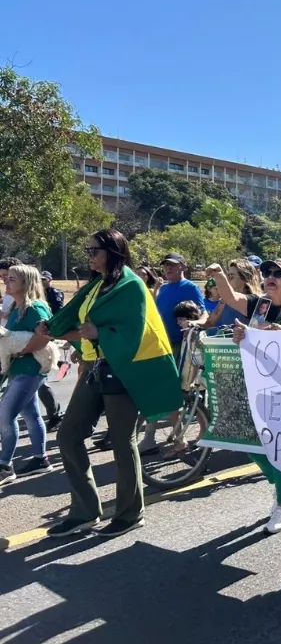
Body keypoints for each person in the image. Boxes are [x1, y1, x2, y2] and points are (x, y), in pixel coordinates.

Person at [45, 229, 182, 538]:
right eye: (87, 250)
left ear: (113, 252)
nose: (89, 255)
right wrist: (56, 329)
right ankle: (85, 511)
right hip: (97, 366)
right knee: (68, 436)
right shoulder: (96, 285)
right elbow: (81, 323)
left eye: (94, 250)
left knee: (122, 441)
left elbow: (130, 333)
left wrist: (96, 333)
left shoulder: (131, 285)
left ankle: (130, 513)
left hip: (125, 367)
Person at [210, 258, 281, 534]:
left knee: (277, 445)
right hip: (256, 383)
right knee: (243, 438)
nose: (270, 277)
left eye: (277, 274)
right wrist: (241, 335)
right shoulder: (261, 305)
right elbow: (232, 297)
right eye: (267, 273)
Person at [0, 265, 55, 483]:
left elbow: (46, 337)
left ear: (26, 283)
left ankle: (5, 466)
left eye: (12, 279)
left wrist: (22, 350)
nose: (6, 281)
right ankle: (41, 459)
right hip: (20, 369)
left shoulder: (35, 308)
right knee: (31, 414)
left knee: (5, 415)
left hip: (30, 369)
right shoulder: (17, 306)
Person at [155, 253, 205, 359]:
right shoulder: (163, 288)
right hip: (161, 344)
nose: (168, 267)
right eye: (166, 265)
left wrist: (192, 323)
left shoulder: (191, 288)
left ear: (183, 266)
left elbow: (204, 316)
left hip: (181, 344)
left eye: (172, 264)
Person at [36, 271, 63, 430]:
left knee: (40, 381)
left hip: (47, 333)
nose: (42, 282)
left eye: (44, 279)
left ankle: (55, 414)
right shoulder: (38, 293)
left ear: (50, 279)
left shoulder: (54, 293)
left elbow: (58, 311)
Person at [0, 258, 22, 326]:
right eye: (1, 276)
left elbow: (22, 316)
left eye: (6, 274)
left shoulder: (20, 293)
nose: (4, 279)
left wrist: (2, 314)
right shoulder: (8, 291)